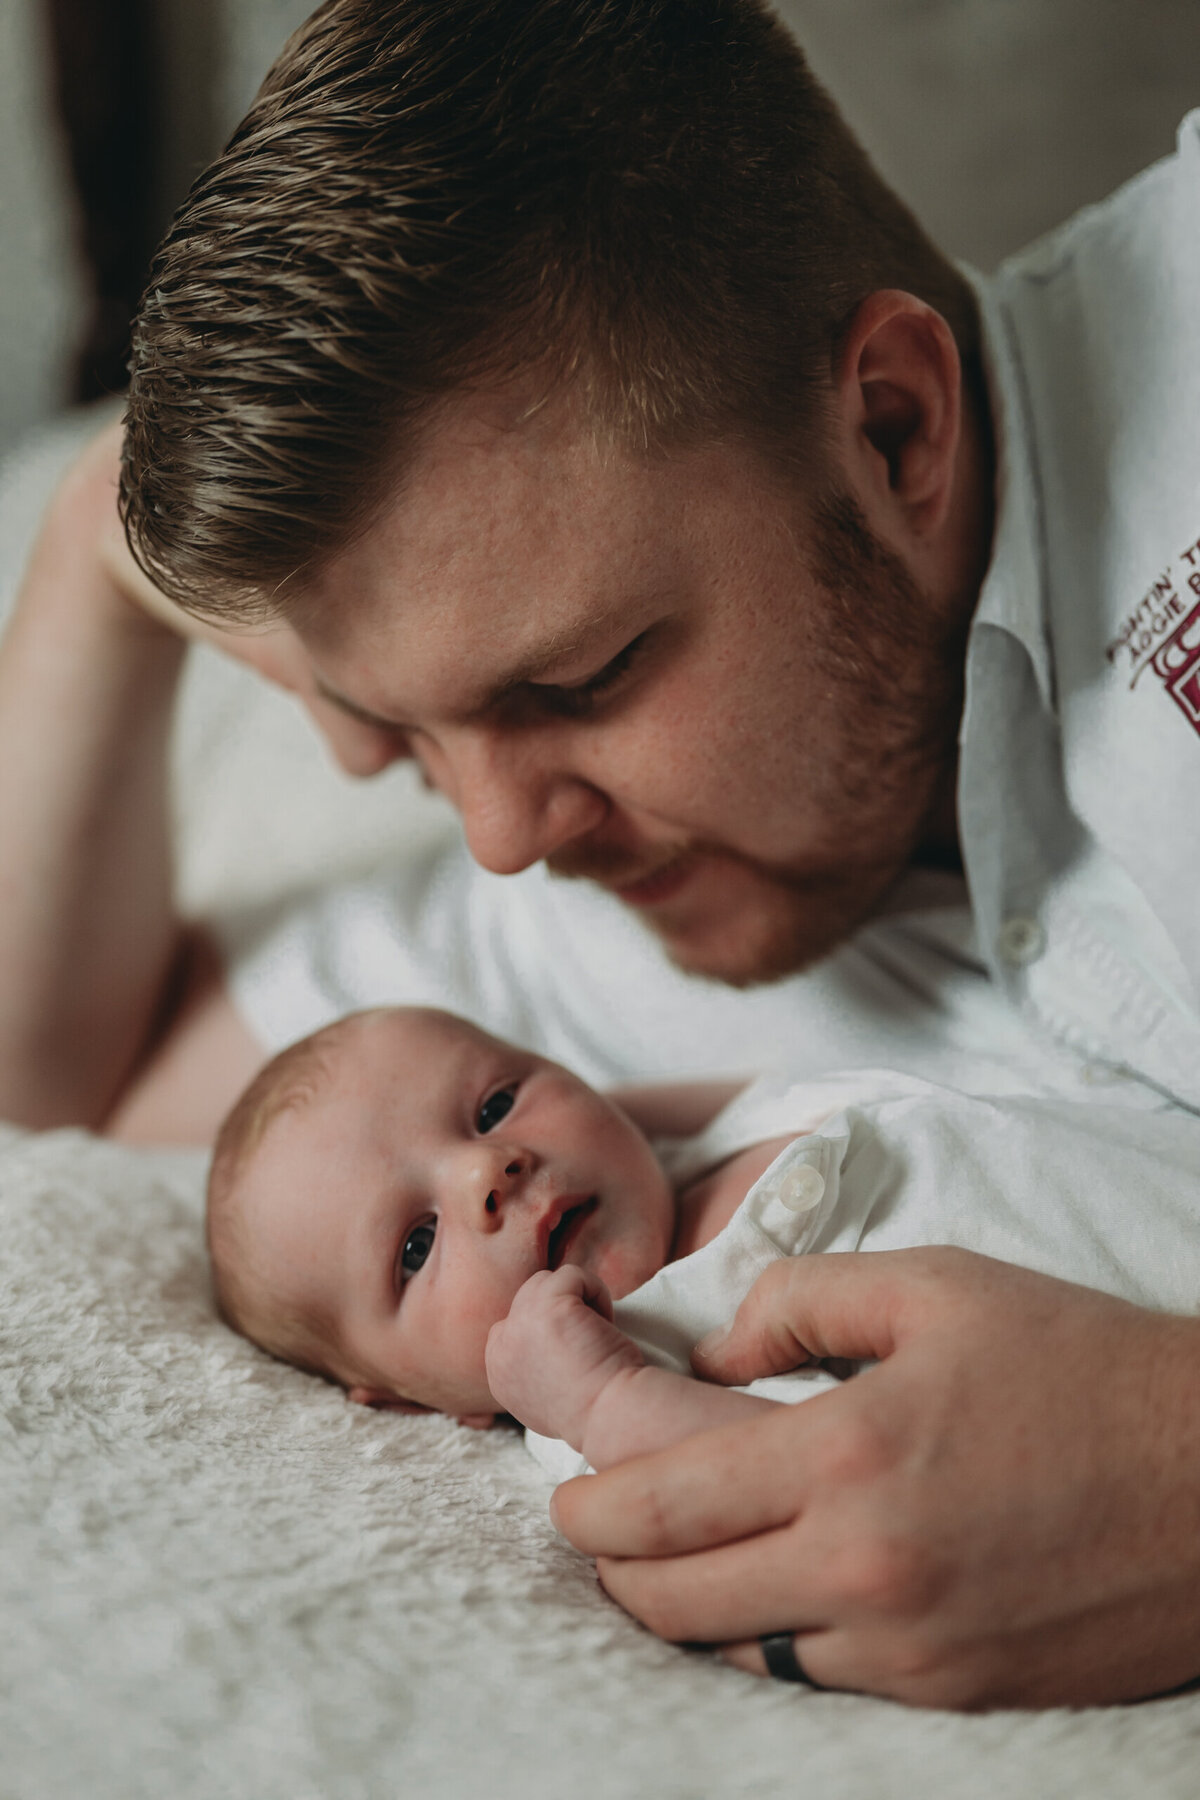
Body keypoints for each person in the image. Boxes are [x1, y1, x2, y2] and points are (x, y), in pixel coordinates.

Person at [0, 0, 1198, 1709]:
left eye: (574, 683)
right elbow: (56, 1075)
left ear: (894, 428)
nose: (502, 841)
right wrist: (94, 548)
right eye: (412, 741)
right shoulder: (564, 1008)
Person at [205, 1004, 1200, 1505]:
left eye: (494, 1105)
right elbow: (774, 1481)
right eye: (417, 1245)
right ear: (424, 1396)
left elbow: (643, 1103)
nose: (487, 1173)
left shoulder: (702, 1142)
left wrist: (595, 1117)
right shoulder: (612, 1383)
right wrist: (596, 1403)